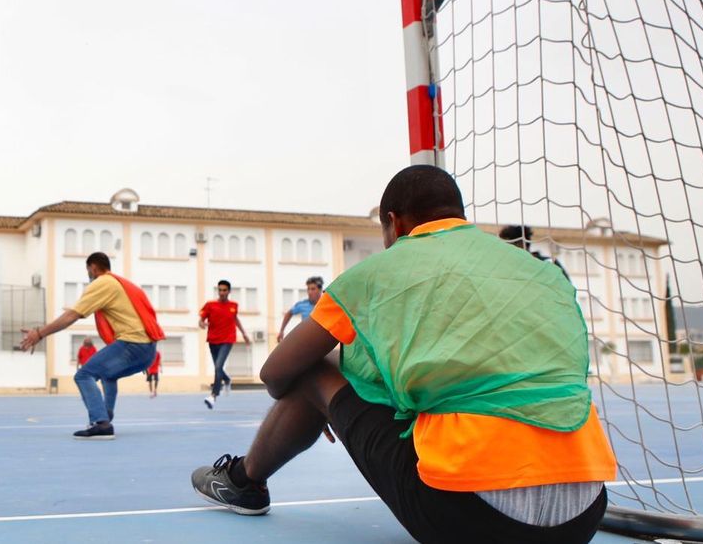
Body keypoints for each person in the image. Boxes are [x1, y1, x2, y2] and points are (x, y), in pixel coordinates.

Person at [191, 165, 614, 543]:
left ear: (392, 223)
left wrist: (324, 404)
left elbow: (276, 372)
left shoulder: (376, 273)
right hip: (583, 514)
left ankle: (244, 481)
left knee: (313, 366)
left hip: (468, 516)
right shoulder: (539, 271)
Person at [19, 252, 164, 440]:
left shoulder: (102, 283)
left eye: (88, 271)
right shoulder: (120, 283)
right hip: (147, 348)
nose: (89, 275)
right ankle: (105, 416)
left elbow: (72, 315)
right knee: (107, 374)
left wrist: (39, 333)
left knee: (84, 375)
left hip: (133, 343)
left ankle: (101, 423)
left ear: (93, 268)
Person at [199, 280, 251, 409]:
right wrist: (202, 324)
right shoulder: (210, 305)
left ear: (229, 291)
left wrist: (244, 333)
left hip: (227, 339)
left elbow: (235, 319)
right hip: (213, 340)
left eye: (224, 290)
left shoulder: (234, 305)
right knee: (218, 368)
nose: (222, 292)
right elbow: (201, 320)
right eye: (220, 290)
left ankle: (213, 396)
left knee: (217, 367)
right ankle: (227, 380)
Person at [500, 224, 570, 280]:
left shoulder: (549, 263)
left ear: (521, 244)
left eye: (507, 246)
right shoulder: (505, 270)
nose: (504, 250)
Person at [278, 277, 323, 341]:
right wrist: (281, 331)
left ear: (320, 290)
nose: (309, 292)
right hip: (306, 339)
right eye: (308, 289)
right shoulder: (302, 304)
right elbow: (289, 313)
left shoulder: (325, 304)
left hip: (321, 340)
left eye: (313, 289)